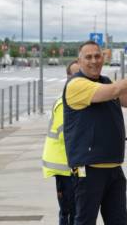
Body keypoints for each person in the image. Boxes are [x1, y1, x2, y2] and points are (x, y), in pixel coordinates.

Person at [64, 40, 127, 225]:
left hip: (114, 169)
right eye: (88, 57)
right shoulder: (76, 84)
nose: (94, 61)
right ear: (80, 60)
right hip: (89, 170)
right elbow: (115, 90)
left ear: (103, 58)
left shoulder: (106, 81)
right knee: (85, 222)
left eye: (97, 56)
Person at [42, 60, 81, 224]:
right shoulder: (66, 102)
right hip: (65, 167)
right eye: (77, 75)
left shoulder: (74, 99)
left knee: (74, 211)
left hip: (69, 165)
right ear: (68, 78)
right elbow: (67, 135)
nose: (81, 79)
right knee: (70, 212)